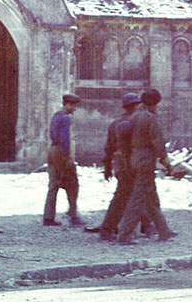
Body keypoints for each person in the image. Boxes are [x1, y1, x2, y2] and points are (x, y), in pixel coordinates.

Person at [115, 88, 176, 245]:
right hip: (145, 162)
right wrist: (166, 162)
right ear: (154, 103)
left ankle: (164, 231)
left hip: (135, 161)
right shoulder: (150, 118)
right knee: (138, 199)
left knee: (151, 198)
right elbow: (158, 142)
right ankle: (124, 233)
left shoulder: (133, 117)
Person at [94, 92, 141, 240]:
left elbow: (108, 148)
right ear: (134, 106)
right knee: (123, 196)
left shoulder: (115, 123)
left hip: (120, 163)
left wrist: (107, 167)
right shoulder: (135, 123)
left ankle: (142, 227)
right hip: (128, 163)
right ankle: (107, 228)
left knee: (135, 194)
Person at [43, 93, 83, 226]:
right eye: (74, 106)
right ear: (68, 104)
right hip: (61, 151)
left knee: (53, 184)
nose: (75, 109)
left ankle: (48, 217)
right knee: (72, 184)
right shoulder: (66, 119)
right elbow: (65, 140)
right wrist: (67, 157)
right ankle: (73, 215)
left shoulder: (56, 115)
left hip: (52, 150)